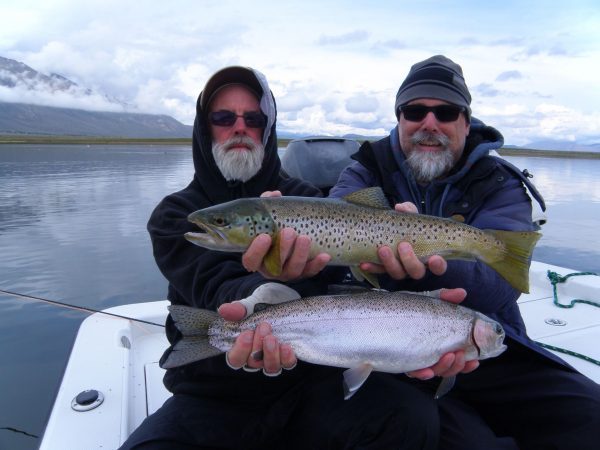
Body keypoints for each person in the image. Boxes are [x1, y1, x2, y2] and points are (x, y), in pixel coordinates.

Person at [246, 55, 600, 449]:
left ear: (466, 122)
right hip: (394, 350)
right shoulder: (364, 170)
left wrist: (430, 269)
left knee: (591, 417)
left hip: (489, 340)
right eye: (415, 111)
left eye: (445, 112)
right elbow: (334, 258)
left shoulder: (499, 182)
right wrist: (289, 263)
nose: (429, 123)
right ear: (399, 119)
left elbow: (502, 287)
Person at [120, 65, 470, 450]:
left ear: (267, 128)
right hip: (215, 393)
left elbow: (343, 293)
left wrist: (394, 275)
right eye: (223, 118)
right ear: (204, 129)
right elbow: (209, 281)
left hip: (311, 379)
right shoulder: (178, 214)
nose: (239, 128)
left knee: (411, 418)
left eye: (253, 118)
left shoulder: (308, 197)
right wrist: (261, 295)